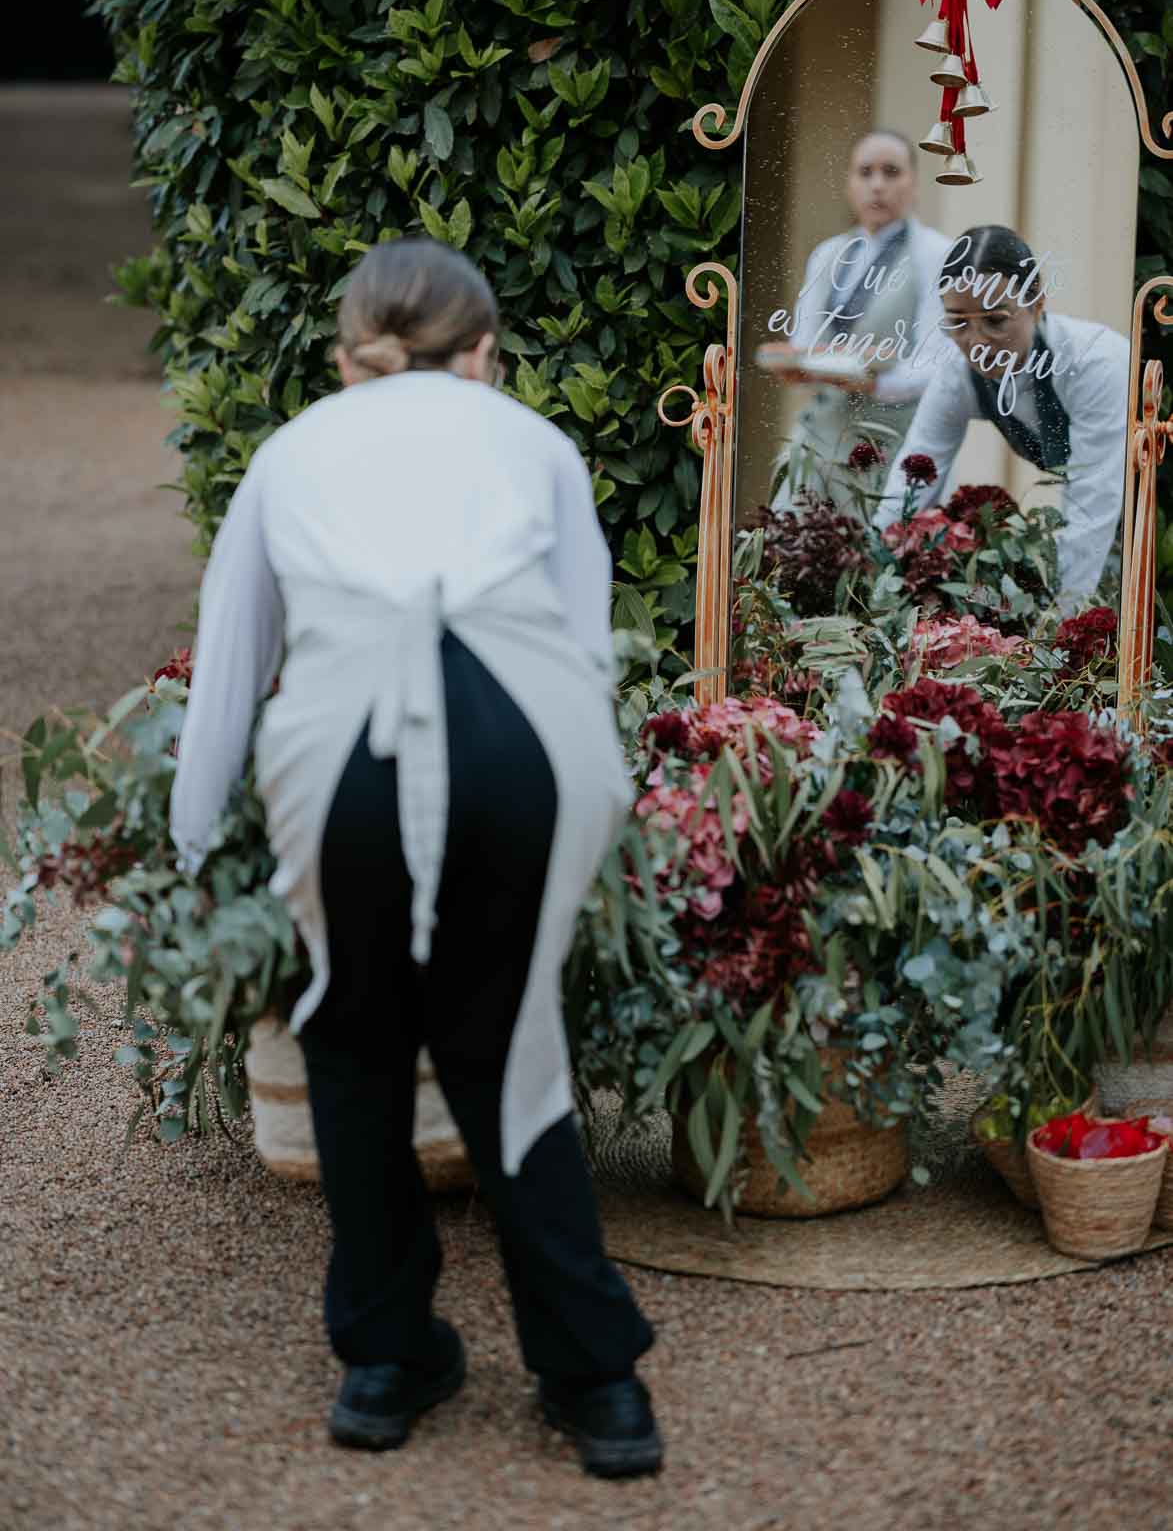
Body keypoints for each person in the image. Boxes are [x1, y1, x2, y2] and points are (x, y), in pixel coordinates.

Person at [168, 237, 661, 1479]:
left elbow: (230, 664)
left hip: (346, 761)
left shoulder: (289, 453)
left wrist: (189, 842)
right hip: (525, 750)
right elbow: (583, 637)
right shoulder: (539, 445)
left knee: (355, 1042)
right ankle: (596, 1383)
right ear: (484, 352)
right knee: (508, 1041)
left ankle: (387, 1360)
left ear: (347, 360)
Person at [873, 225, 1131, 609]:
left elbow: (1091, 504)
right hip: (1104, 516)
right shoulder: (957, 375)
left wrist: (1058, 628)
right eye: (958, 322)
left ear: (1037, 304)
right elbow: (912, 478)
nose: (975, 343)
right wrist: (872, 568)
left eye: (995, 320)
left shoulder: (1095, 363)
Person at [769, 129, 953, 509]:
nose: (877, 186)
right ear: (849, 184)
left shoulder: (935, 254)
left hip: (889, 440)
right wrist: (798, 366)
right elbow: (805, 341)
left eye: (891, 172)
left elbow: (936, 363)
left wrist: (873, 380)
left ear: (914, 183)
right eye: (865, 173)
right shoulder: (828, 254)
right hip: (819, 433)